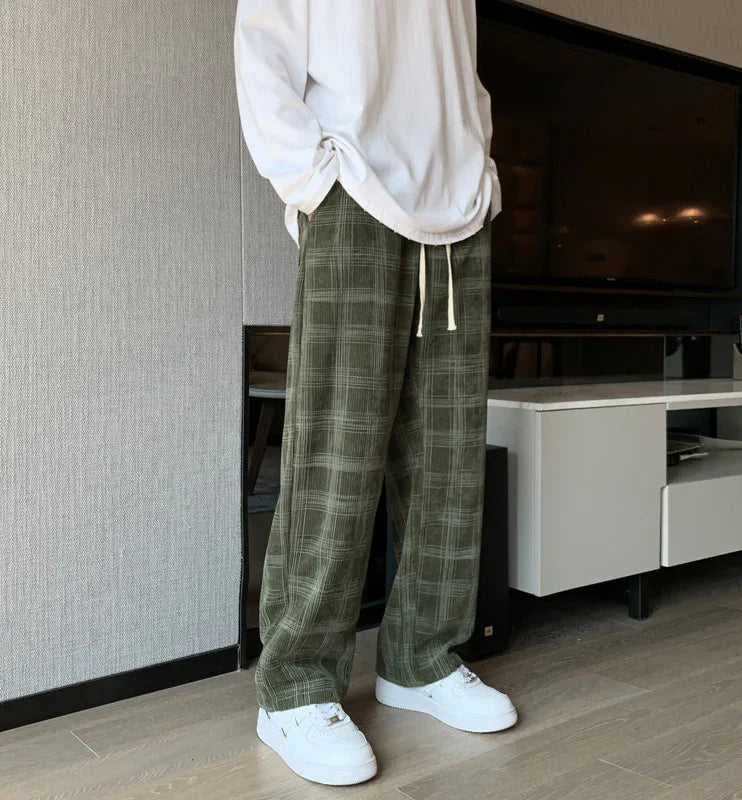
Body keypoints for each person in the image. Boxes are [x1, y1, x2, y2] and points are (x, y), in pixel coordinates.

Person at [234, 0, 517, 786]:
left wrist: (481, 167)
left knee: (447, 453)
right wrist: (311, 177)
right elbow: (264, 46)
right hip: (353, 186)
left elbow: (454, 68)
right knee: (338, 447)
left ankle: (422, 659)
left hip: (457, 208)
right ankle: (294, 686)